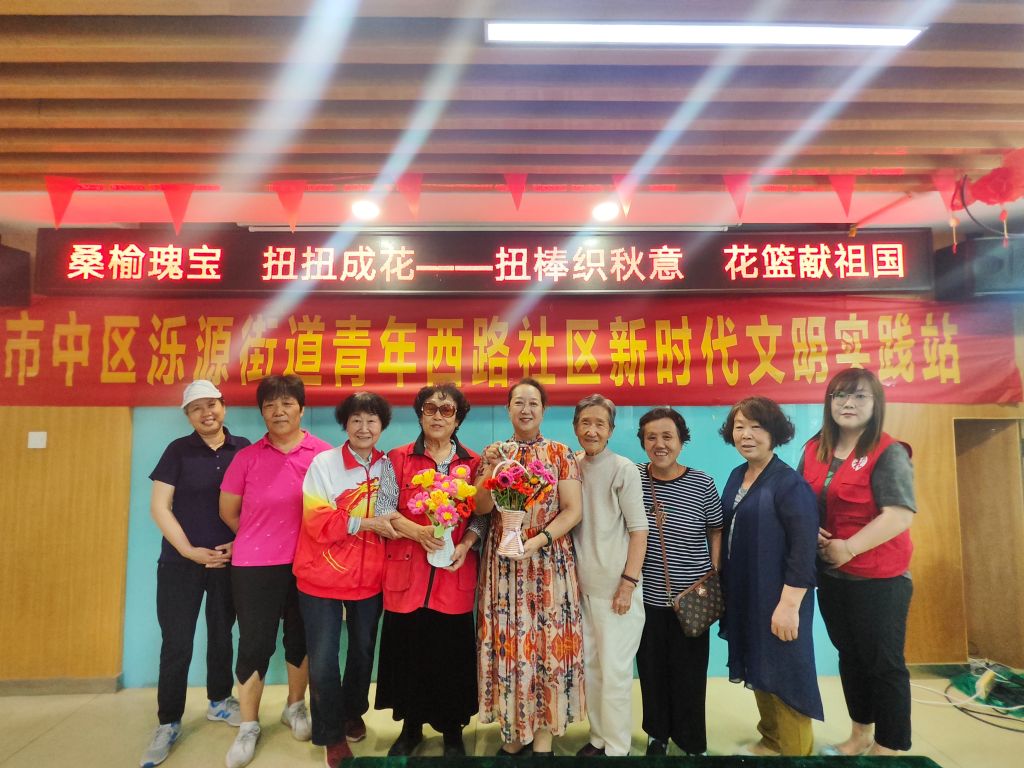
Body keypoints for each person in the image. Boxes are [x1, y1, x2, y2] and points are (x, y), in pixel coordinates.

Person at [800, 368, 916, 757]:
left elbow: (899, 515)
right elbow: (800, 500)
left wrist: (848, 548)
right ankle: (860, 734)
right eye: (840, 396)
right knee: (850, 656)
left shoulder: (889, 451)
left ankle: (890, 746)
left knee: (884, 663)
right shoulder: (814, 448)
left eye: (860, 396)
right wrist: (809, 530)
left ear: (875, 403)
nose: (848, 403)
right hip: (833, 577)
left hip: (880, 579)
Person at [219, 375, 332, 768]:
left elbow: (336, 510)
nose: (278, 411)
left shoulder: (323, 455)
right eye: (269, 405)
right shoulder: (247, 457)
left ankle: (294, 706)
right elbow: (228, 511)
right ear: (262, 412)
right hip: (254, 566)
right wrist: (258, 537)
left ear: (301, 409)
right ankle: (249, 724)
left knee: (300, 638)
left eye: (286, 403)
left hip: (308, 564)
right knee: (254, 643)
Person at [140, 380, 251, 768]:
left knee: (222, 634)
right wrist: (188, 551)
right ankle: (168, 721)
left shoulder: (244, 449)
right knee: (177, 642)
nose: (206, 413)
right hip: (179, 564)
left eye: (212, 404)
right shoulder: (178, 451)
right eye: (196, 408)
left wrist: (239, 543)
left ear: (224, 406)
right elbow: (160, 506)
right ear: (188, 416)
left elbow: (256, 503)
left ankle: (219, 702)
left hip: (226, 561)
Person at [475, 377, 585, 756]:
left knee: (545, 645)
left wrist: (537, 541)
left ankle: (543, 735)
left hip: (549, 562)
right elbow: (481, 509)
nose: (526, 409)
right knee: (509, 645)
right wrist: (489, 472)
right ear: (508, 409)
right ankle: (512, 730)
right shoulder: (494, 452)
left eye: (533, 403)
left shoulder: (560, 454)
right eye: (518, 402)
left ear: (544, 410)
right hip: (504, 566)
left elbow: (572, 510)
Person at [376, 384, 486, 758]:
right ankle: (410, 729)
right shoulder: (397, 458)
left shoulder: (474, 464)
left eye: (447, 410)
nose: (438, 416)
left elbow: (481, 519)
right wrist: (417, 531)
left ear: (458, 419)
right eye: (430, 408)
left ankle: (453, 731)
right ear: (420, 414)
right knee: (408, 653)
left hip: (453, 573)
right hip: (407, 575)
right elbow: (384, 510)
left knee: (450, 656)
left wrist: (467, 544)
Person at [293, 391, 402, 767]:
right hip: (320, 577)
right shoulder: (323, 463)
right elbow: (316, 519)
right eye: (356, 420)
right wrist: (367, 524)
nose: (364, 427)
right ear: (345, 424)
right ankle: (331, 734)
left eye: (372, 420)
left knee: (362, 651)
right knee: (323, 658)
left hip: (370, 579)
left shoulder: (389, 466)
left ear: (382, 426)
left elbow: (396, 516)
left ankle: (352, 711)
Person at [719, 396, 823, 757]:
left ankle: (796, 754)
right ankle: (772, 739)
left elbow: (803, 549)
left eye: (756, 427)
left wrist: (789, 605)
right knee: (759, 665)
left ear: (774, 433)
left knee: (787, 675)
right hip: (748, 594)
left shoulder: (789, 484)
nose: (746, 435)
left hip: (780, 597)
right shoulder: (738, 475)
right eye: (739, 427)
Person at [635, 407, 723, 757]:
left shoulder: (702, 483)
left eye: (667, 436)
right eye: (651, 437)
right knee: (651, 671)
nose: (660, 444)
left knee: (690, 674)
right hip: (647, 598)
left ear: (681, 440)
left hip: (692, 597)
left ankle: (691, 741)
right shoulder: (634, 478)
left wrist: (713, 572)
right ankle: (657, 735)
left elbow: (716, 529)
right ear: (643, 442)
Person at [570, 395, 648, 757]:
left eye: (600, 424)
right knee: (592, 670)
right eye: (585, 422)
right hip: (581, 590)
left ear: (611, 430)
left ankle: (618, 749)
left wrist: (628, 584)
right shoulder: (572, 466)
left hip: (617, 591)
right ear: (575, 427)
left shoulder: (623, 469)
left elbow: (639, 530)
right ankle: (599, 738)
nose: (592, 430)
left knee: (615, 674)